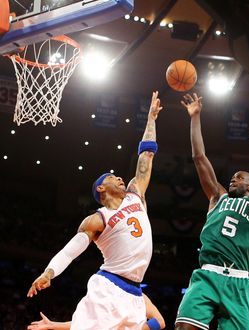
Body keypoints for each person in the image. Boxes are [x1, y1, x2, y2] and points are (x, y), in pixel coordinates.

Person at [27, 91, 164, 330]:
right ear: (101, 187)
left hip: (134, 291)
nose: (121, 177)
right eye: (113, 177)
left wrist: (151, 119)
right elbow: (70, 252)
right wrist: (48, 274)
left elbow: (146, 155)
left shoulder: (135, 194)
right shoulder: (97, 219)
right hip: (109, 286)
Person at [175, 93, 249, 330]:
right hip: (208, 275)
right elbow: (199, 158)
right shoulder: (218, 196)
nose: (233, 179)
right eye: (233, 177)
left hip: (238, 281)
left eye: (240, 177)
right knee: (184, 327)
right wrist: (195, 118)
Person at [27, 293, 166, 330]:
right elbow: (88, 324)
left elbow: (160, 322)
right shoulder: (105, 293)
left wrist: (135, 328)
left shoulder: (140, 297)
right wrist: (53, 325)